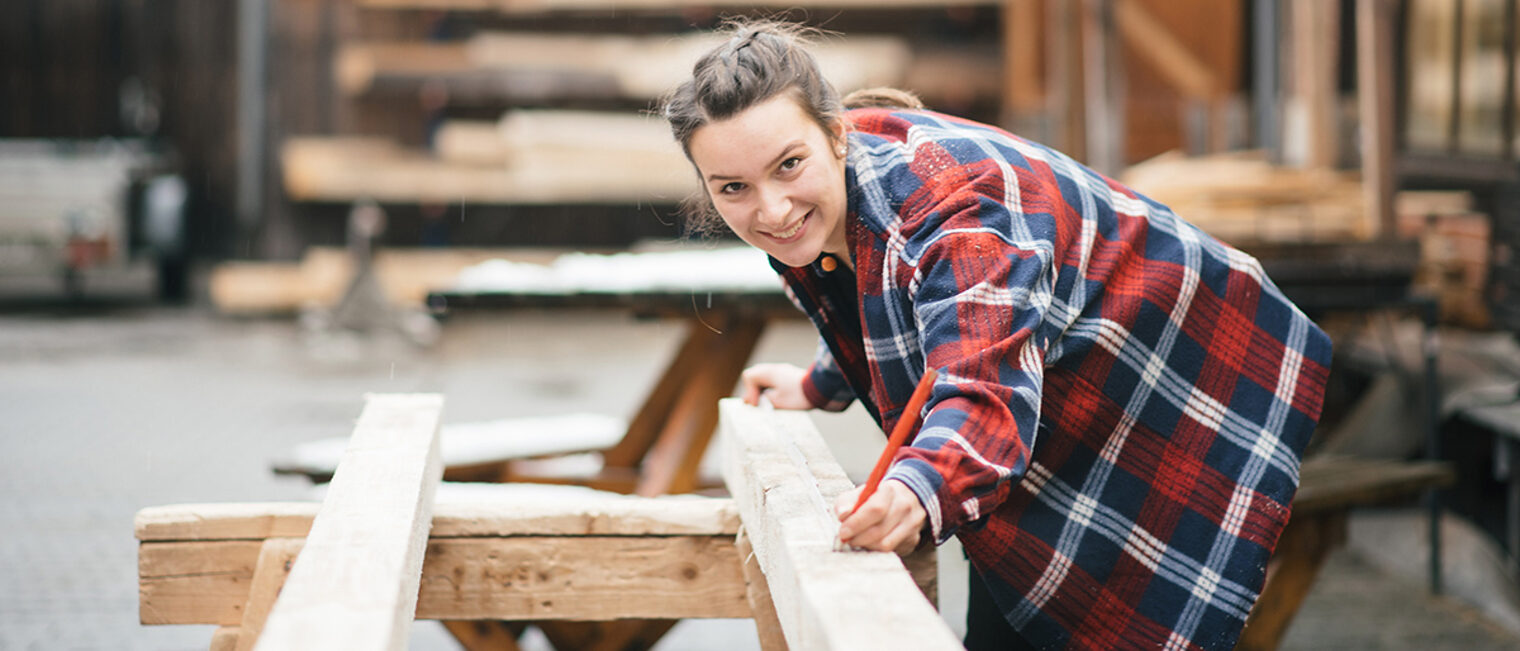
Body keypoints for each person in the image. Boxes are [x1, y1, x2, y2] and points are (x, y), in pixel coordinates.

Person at [662, 19, 1331, 650]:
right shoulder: (828, 195)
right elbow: (889, 296)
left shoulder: (957, 209)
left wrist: (919, 486)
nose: (771, 209)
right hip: (1066, 385)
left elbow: (981, 382)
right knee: (1003, 573)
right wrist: (820, 380)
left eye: (787, 166)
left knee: (1130, 594)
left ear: (837, 134)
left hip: (1192, 372)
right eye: (733, 188)